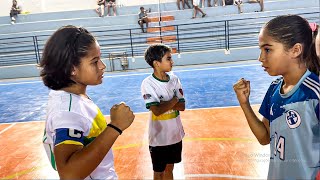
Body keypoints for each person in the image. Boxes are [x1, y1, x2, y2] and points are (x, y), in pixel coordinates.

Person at [41, 25, 135, 179]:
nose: (102, 66)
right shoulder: (67, 110)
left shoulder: (74, 98)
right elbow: (69, 174)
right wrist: (115, 126)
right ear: (72, 68)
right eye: (95, 61)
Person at [233, 15, 320, 179]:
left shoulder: (314, 94)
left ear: (295, 50)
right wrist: (244, 103)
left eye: (267, 49)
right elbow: (264, 137)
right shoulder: (274, 89)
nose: (260, 58)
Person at [141, 44, 186, 180]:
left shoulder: (174, 79)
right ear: (157, 63)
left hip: (175, 134)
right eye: (168, 59)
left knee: (169, 169)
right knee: (158, 172)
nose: (172, 62)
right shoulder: (148, 83)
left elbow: (182, 106)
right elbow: (157, 110)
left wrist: (166, 103)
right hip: (158, 138)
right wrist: (173, 101)